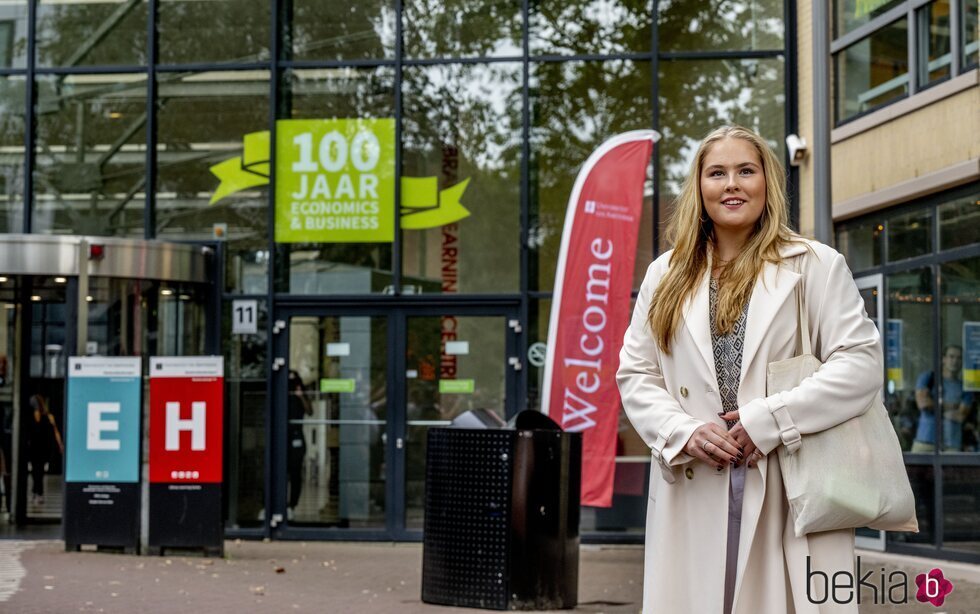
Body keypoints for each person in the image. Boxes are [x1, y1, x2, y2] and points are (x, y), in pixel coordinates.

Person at [617, 125, 883, 613]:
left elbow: (861, 364)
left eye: (746, 170)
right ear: (700, 187)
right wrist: (681, 431)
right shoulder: (665, 274)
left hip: (786, 473)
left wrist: (769, 421)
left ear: (768, 183)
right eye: (717, 173)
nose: (732, 184)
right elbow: (637, 374)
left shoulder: (815, 266)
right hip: (695, 476)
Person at [911, 344, 975, 452]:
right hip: (925, 441)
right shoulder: (928, 377)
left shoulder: (965, 387)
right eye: (951, 356)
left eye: (959, 358)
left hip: (952, 445)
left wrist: (935, 407)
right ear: (944, 359)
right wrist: (952, 406)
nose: (955, 361)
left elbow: (960, 416)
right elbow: (923, 404)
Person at [27, 394, 64, 505]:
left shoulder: (48, 416)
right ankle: (36, 492)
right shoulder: (32, 416)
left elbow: (55, 431)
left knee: (39, 471)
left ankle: (38, 493)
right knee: (35, 471)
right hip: (34, 447)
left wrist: (60, 444)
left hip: (43, 447)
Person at [286, 371, 313, 517]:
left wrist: (300, 395)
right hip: (283, 437)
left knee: (295, 473)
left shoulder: (300, 396)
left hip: (297, 437)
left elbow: (310, 411)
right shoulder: (283, 396)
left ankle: (293, 504)